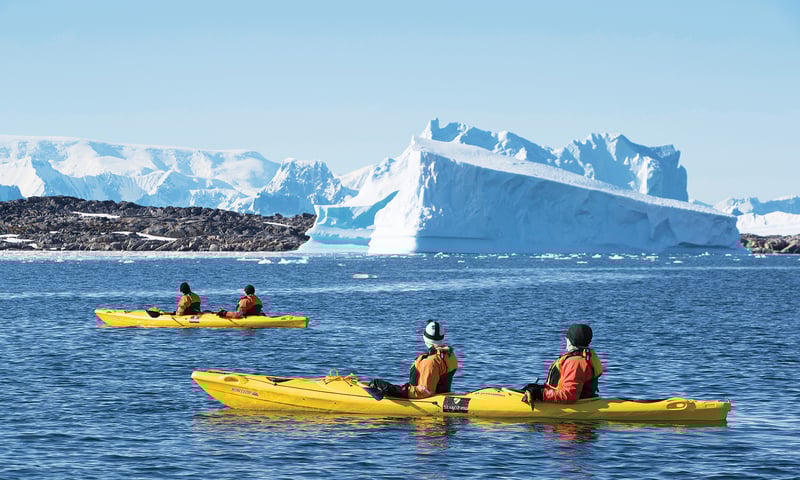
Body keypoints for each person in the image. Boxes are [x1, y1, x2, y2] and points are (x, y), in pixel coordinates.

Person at [368, 320, 459, 399]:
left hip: (424, 401)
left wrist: (392, 389)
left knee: (376, 383)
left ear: (425, 338)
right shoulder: (449, 355)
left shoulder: (430, 361)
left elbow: (424, 392)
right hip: (441, 396)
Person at [522, 323, 603, 405]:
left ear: (571, 341)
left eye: (567, 337)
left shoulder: (575, 363)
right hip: (564, 397)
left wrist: (540, 394)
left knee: (535, 391)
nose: (565, 339)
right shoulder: (585, 356)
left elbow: (569, 395)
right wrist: (537, 389)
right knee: (531, 388)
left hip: (573, 404)